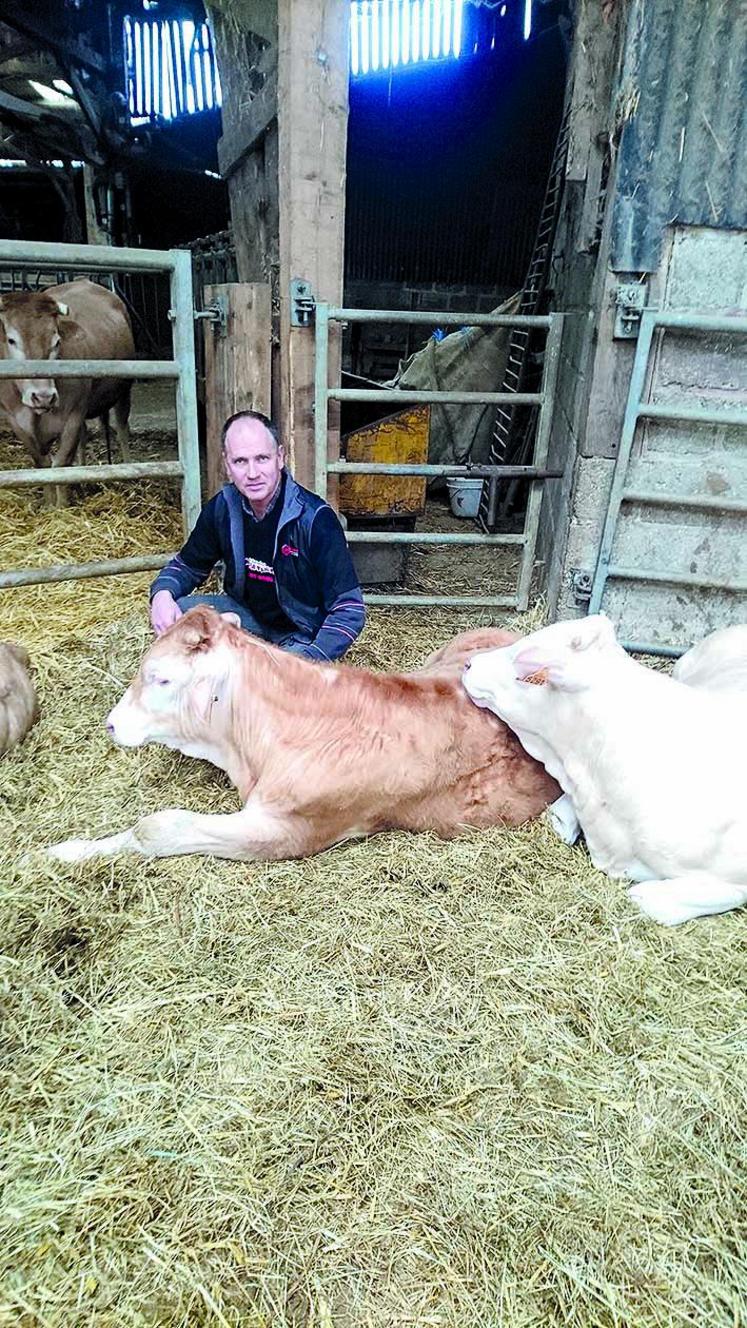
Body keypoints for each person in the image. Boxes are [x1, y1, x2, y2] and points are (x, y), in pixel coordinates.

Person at [149, 410, 366, 661]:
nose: (252, 474)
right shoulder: (223, 509)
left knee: (273, 691)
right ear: (227, 465)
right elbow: (186, 566)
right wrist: (162, 594)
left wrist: (310, 662)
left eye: (262, 458)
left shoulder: (315, 519)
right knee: (178, 615)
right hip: (246, 620)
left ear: (280, 458)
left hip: (299, 635)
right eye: (241, 461)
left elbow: (349, 609)